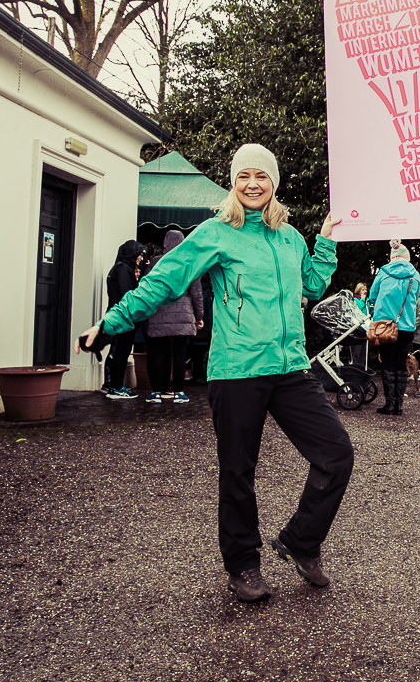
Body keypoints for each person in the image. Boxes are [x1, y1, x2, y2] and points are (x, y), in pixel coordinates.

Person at [76, 143, 350, 604]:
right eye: (243, 176)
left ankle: (302, 541)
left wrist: (324, 241)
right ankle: (243, 565)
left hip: (290, 368)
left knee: (337, 454)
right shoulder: (216, 233)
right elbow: (165, 279)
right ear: (233, 181)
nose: (252, 184)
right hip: (237, 370)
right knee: (238, 472)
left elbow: (311, 285)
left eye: (261, 176)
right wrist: (112, 322)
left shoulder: (289, 238)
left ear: (274, 182)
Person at [143, 230, 205, 403]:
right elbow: (197, 293)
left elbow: (147, 287)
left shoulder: (155, 262)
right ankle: (178, 391)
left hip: (159, 313)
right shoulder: (189, 263)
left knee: (158, 353)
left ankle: (156, 392)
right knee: (180, 354)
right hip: (183, 314)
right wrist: (199, 316)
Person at [367, 240, 420, 415]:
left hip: (384, 326)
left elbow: (372, 295)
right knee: (401, 363)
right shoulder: (415, 275)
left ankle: (389, 404)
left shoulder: (383, 272)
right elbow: (415, 296)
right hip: (406, 326)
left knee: (387, 364)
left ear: (392, 258)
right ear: (407, 258)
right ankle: (399, 405)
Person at [103, 240, 144, 399]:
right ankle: (116, 386)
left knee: (118, 351)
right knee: (121, 351)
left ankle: (115, 385)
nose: (140, 258)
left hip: (118, 316)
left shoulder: (119, 268)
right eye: (139, 254)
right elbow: (127, 295)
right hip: (123, 318)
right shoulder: (123, 269)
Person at [350, 282, 370, 368]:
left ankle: (363, 370)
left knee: (364, 352)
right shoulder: (355, 300)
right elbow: (357, 310)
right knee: (357, 351)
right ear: (358, 290)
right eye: (363, 289)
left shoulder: (368, 300)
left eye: (366, 289)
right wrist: (362, 300)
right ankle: (356, 370)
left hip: (367, 328)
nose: (365, 291)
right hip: (358, 328)